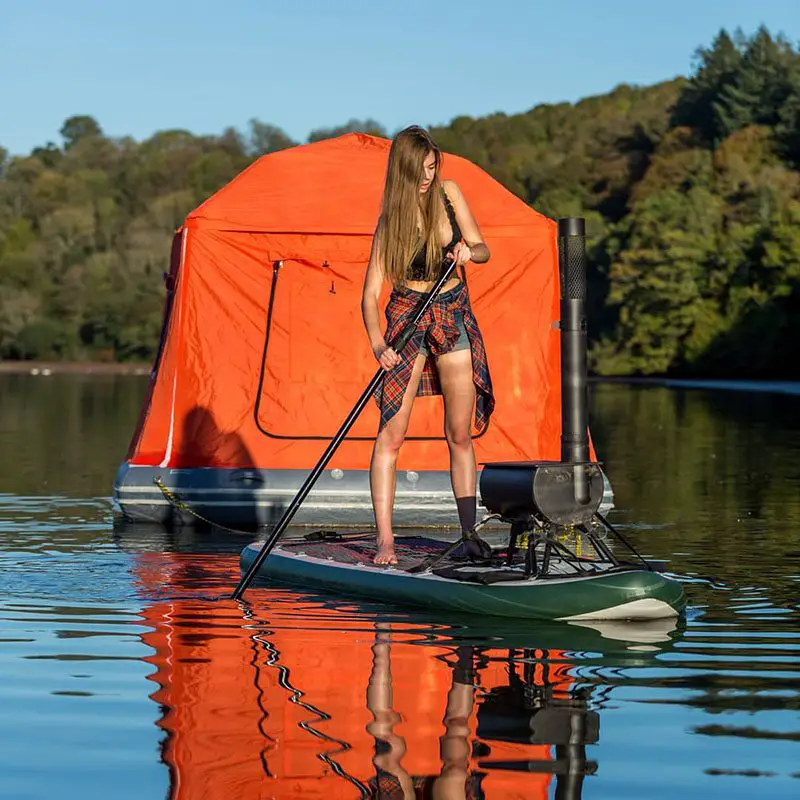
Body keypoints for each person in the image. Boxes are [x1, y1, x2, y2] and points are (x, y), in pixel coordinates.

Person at [361, 126, 495, 566]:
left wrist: (467, 252)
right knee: (391, 433)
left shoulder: (450, 193)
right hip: (407, 317)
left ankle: (468, 533)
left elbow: (483, 248)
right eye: (420, 169)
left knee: (459, 432)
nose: (428, 175)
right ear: (403, 169)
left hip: (452, 308)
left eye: (433, 166)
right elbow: (369, 295)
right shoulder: (390, 219)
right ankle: (385, 542)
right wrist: (379, 343)